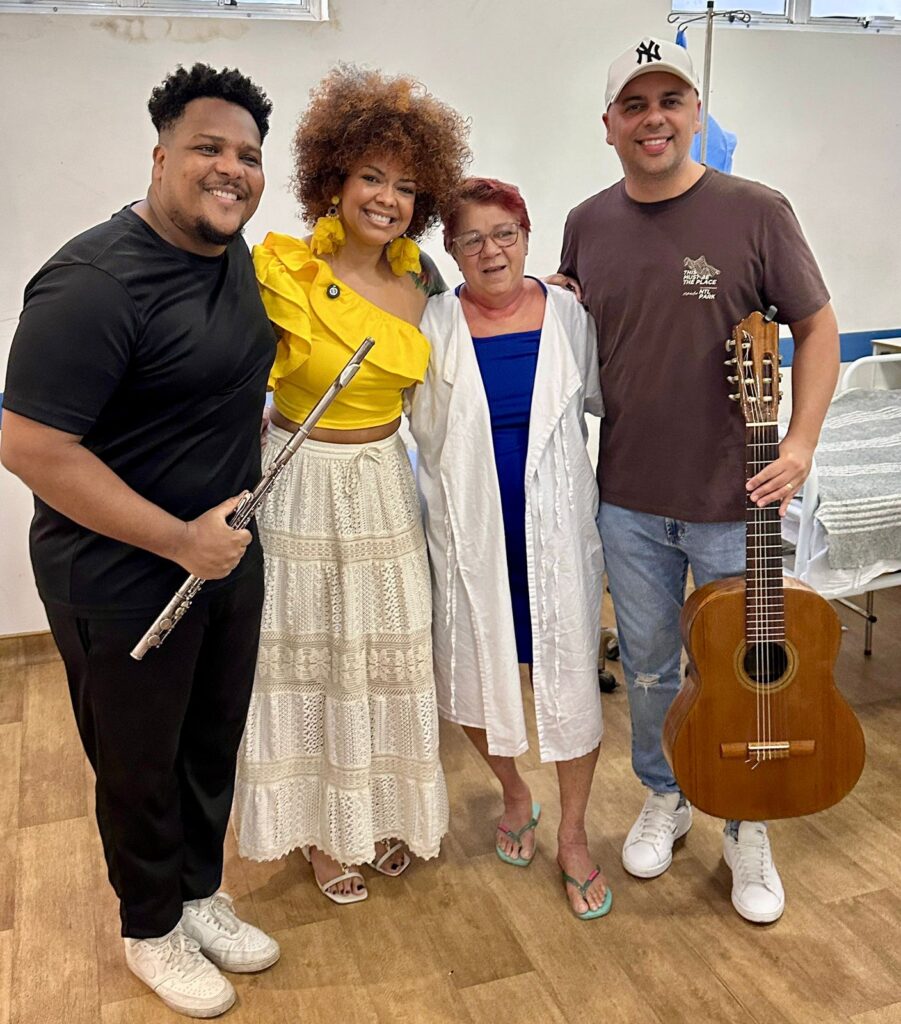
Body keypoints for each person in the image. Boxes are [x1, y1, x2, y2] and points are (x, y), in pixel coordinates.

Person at [1, 65, 281, 1018]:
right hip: (120, 575)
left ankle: (197, 894)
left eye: (247, 155)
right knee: (138, 765)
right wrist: (176, 540)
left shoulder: (229, 254)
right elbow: (30, 447)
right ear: (160, 157)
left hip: (223, 555)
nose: (231, 169)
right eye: (208, 148)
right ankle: (150, 927)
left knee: (209, 742)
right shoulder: (91, 284)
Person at [557, 38, 839, 924]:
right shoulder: (586, 224)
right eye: (634, 105)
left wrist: (799, 441)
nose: (654, 119)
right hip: (627, 501)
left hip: (737, 502)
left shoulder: (755, 211)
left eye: (670, 101)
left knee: (746, 673)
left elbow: (818, 328)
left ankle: (746, 822)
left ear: (695, 115)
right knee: (647, 670)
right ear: (608, 125)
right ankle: (667, 793)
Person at [234, 65, 471, 904]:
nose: (387, 199)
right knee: (311, 658)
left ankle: (376, 813)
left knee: (384, 654)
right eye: (372, 176)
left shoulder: (424, 281)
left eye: (406, 187)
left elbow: (471, 340)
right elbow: (230, 378)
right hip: (300, 481)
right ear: (332, 179)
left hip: (381, 484)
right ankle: (319, 832)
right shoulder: (283, 268)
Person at [409, 178, 609, 920]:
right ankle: (515, 793)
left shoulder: (569, 315)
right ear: (451, 249)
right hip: (468, 526)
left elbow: (599, 402)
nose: (490, 251)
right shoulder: (430, 321)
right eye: (471, 238)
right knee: (468, 668)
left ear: (526, 237)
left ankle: (574, 835)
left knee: (571, 677)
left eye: (504, 234)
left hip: (555, 524)